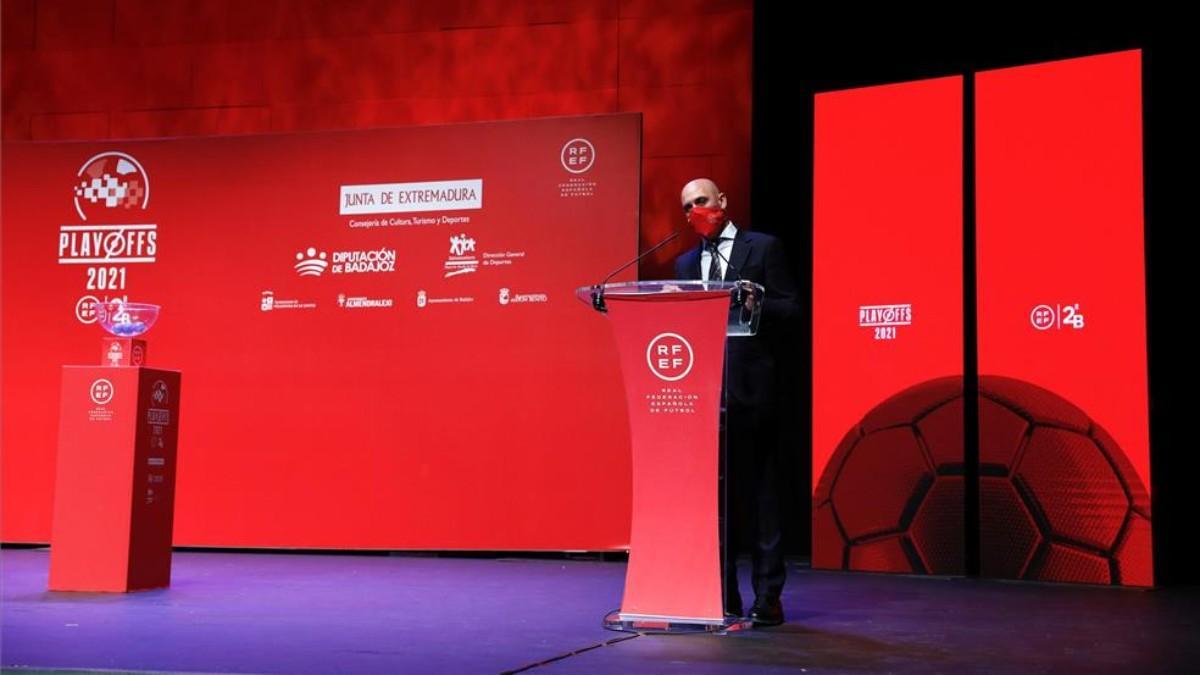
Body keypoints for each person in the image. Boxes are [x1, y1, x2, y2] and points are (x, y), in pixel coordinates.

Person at [673, 178, 799, 626]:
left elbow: (793, 308)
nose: (694, 211)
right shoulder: (684, 263)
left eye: (701, 201)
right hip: (707, 397)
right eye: (687, 207)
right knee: (717, 502)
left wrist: (757, 302)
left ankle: (768, 596)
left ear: (722, 201)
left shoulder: (763, 249)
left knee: (763, 497)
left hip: (756, 391)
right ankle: (721, 593)